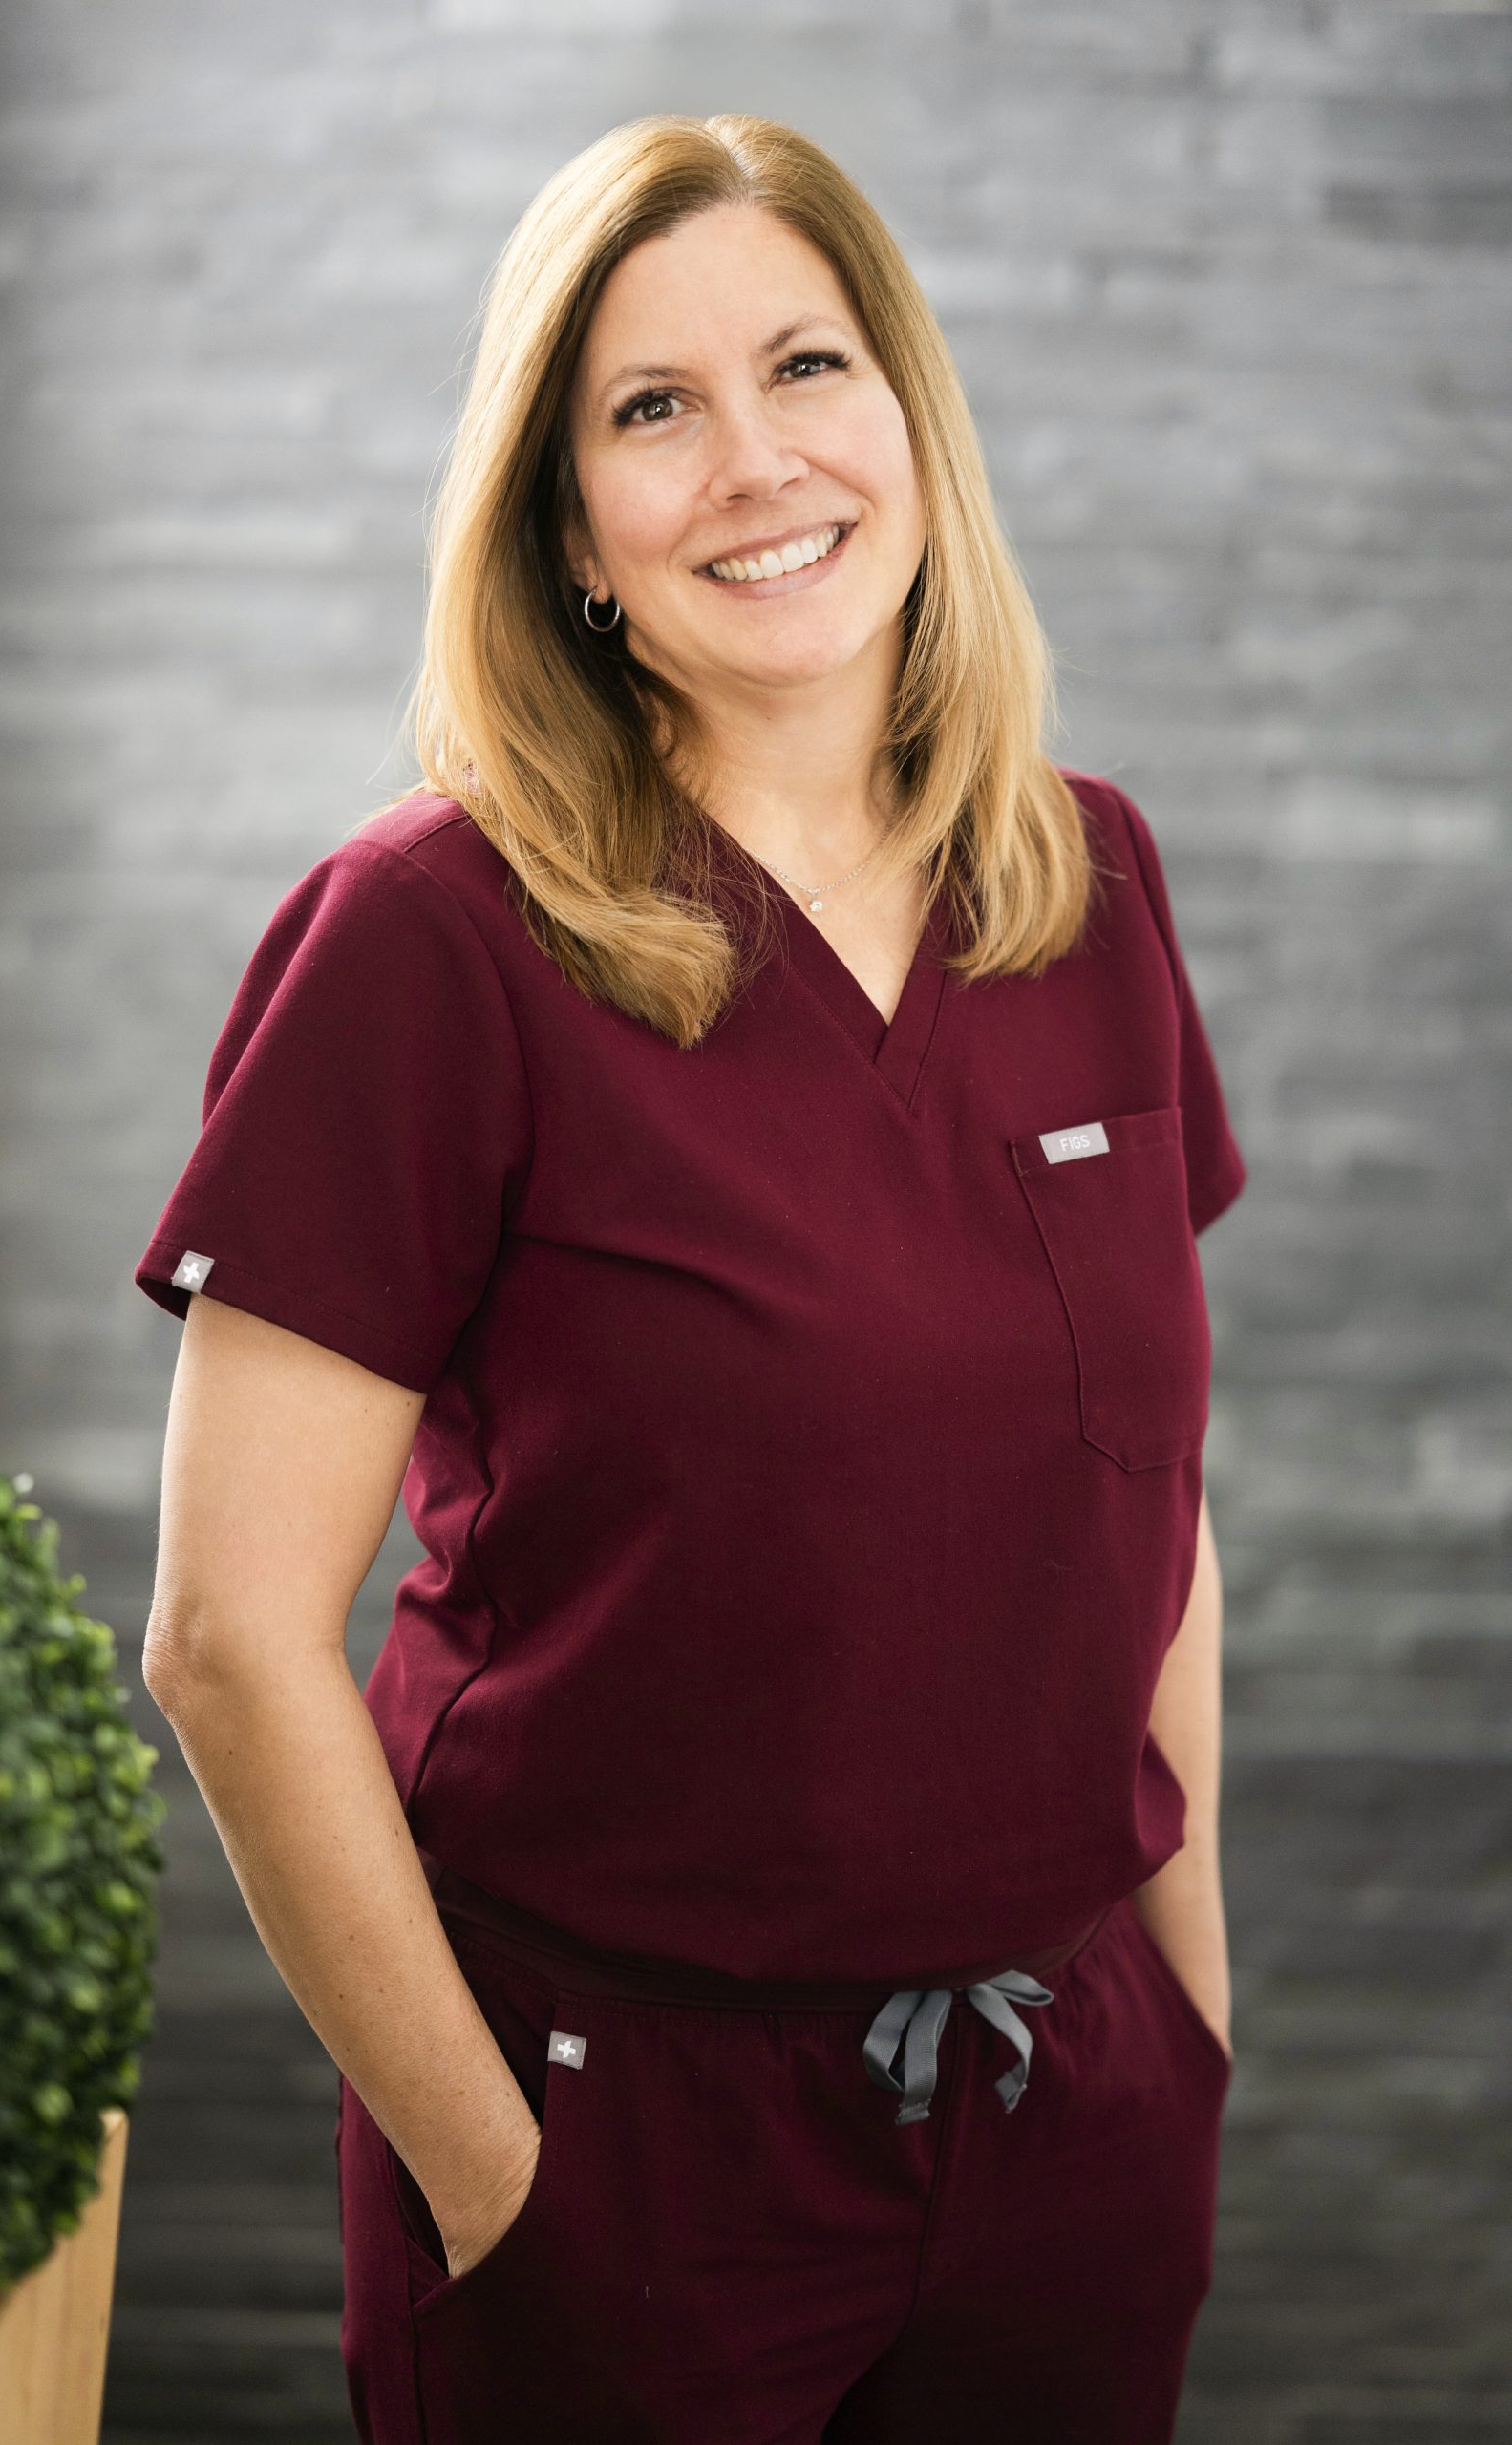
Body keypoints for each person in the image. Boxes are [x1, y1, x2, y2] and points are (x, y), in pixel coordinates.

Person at [135, 111, 1248, 2445]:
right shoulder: (427, 941)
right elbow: (233, 1636)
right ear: (569, 536)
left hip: (1066, 2113)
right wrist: (497, 2179)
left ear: (908, 424)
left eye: (804, 368)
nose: (754, 463)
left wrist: (1181, 1996)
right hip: (614, 2158)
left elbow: (1147, 1497)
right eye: (650, 411)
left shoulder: (1086, 880)